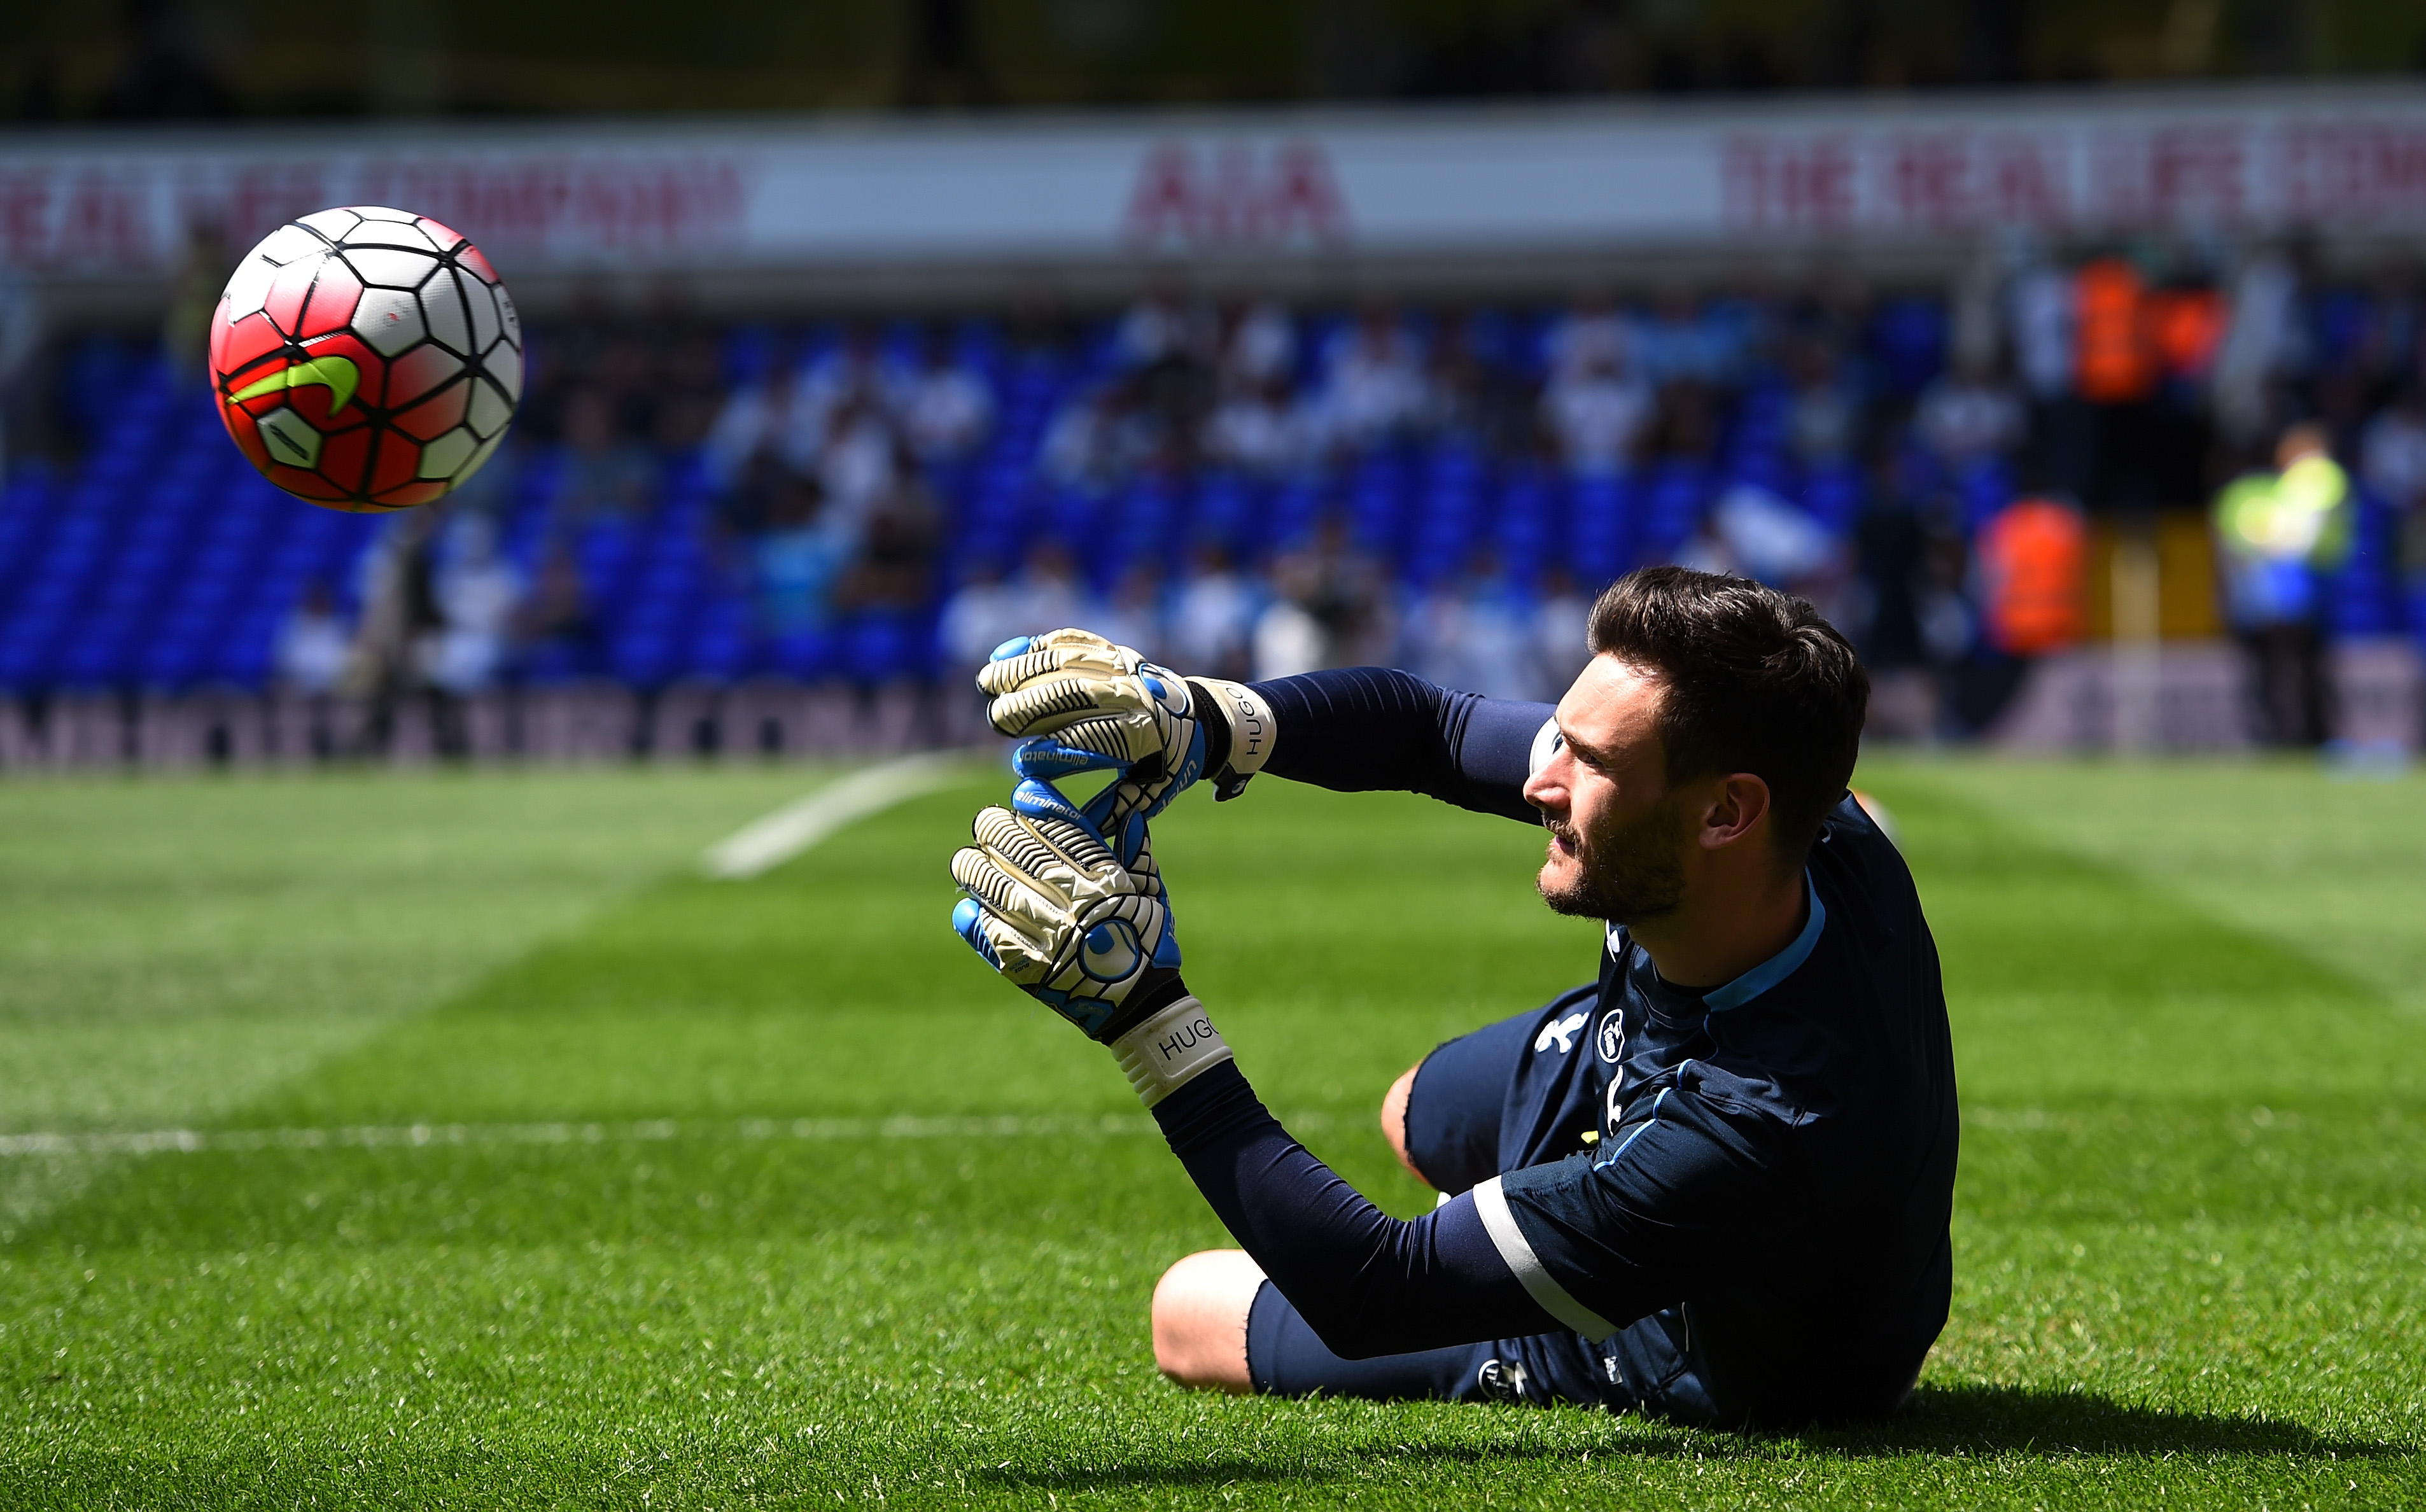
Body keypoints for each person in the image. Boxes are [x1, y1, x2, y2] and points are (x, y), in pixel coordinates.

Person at [951, 568, 1954, 1428]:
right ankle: (1531, 1229)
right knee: (1410, 1111)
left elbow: (1371, 1293)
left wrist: (1144, 1018)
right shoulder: (1816, 830)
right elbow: (1437, 728)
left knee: (1189, 1309)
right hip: (1668, 1050)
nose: (1537, 782)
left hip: (1694, 1348)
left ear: (1728, 812)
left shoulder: (1747, 1135)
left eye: (1588, 763)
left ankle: (1551, 1254)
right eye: (1558, 738)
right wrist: (1211, 721)